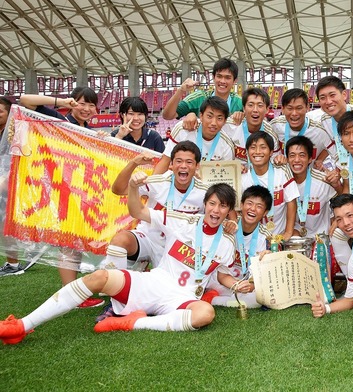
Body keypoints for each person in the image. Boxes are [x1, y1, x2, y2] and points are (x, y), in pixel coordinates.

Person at [0, 183, 237, 344]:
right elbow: (137, 210)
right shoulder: (181, 220)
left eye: (223, 206)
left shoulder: (227, 243)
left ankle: (133, 322)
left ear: (228, 211)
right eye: (213, 203)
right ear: (205, 203)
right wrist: (134, 187)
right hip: (155, 282)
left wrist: (235, 285)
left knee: (205, 313)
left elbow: (221, 275)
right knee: (99, 278)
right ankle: (22, 325)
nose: (216, 210)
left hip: (181, 297)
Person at [18, 87, 105, 307]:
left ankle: (75, 293)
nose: (86, 109)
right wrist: (61, 101)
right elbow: (25, 100)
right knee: (69, 244)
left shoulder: (89, 129)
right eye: (82, 103)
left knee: (77, 243)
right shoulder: (60, 121)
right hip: (64, 193)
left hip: (84, 194)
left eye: (91, 105)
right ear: (73, 103)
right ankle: (72, 295)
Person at [102, 141, 209, 271]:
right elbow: (118, 189)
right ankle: (112, 283)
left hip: (180, 245)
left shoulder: (205, 192)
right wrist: (134, 163)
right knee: (120, 240)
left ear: (197, 166)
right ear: (171, 164)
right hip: (149, 238)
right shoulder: (158, 182)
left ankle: (142, 272)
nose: (183, 166)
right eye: (179, 161)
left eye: (189, 162)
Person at [204, 185, 273, 308]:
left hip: (244, 285)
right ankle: (217, 296)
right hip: (220, 280)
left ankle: (214, 299)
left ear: (265, 213)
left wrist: (251, 285)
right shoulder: (228, 226)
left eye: (259, 206)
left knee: (263, 295)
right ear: (241, 205)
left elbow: (262, 273)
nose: (252, 209)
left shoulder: (266, 237)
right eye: (249, 203)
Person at [241, 131, 299, 240]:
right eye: (253, 147)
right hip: (254, 237)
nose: (257, 152)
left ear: (271, 152)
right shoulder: (243, 176)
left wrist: (288, 232)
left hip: (280, 234)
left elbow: (291, 201)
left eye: (263, 147)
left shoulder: (282, 171)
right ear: (247, 152)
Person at [155, 97, 235, 174]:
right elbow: (165, 161)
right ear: (201, 116)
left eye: (219, 118)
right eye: (209, 116)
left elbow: (225, 176)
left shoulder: (227, 145)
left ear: (225, 121)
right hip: (180, 181)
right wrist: (151, 184)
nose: (213, 123)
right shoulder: (183, 129)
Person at [286, 136, 340, 238]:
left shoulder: (323, 180)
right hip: (294, 237)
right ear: (287, 159)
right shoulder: (282, 181)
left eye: (302, 155)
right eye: (292, 155)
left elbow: (343, 198)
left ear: (310, 159)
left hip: (321, 238)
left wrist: (337, 219)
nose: (297, 160)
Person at [162, 58, 243, 122]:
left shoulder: (239, 103)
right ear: (213, 77)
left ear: (234, 81)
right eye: (219, 76)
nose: (222, 81)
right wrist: (181, 90)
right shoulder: (199, 98)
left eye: (228, 77)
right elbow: (167, 115)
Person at [270, 88, 333, 163]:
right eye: (290, 108)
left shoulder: (319, 131)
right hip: (282, 173)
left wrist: (320, 159)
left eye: (299, 108)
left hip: (308, 174)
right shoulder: (275, 125)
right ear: (283, 109)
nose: (294, 113)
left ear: (307, 108)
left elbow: (335, 147)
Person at [221, 87, 280, 165]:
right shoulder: (229, 125)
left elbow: (275, 162)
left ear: (267, 109)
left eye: (260, 105)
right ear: (244, 108)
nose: (255, 110)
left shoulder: (271, 135)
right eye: (250, 105)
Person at [0, 97, 25, 277]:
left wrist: (6, 180)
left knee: (5, 225)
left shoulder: (16, 132)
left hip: (12, 185)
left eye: (0, 111)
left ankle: (13, 263)